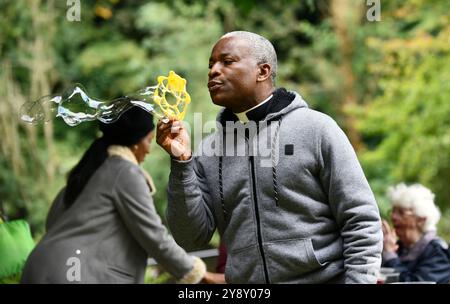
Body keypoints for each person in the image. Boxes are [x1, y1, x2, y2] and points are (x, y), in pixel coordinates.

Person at [157, 31, 383, 283]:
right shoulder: (208, 151)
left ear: (262, 71)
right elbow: (190, 237)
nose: (213, 71)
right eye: (211, 65)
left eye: (227, 62)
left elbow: (360, 220)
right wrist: (181, 163)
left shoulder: (316, 129)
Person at [21, 106, 207, 284]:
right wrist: (197, 274)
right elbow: (154, 235)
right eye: (149, 141)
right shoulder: (124, 172)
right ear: (135, 142)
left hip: (41, 266)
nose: (149, 150)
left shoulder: (87, 173)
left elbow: (52, 224)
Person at [382, 183, 450, 283]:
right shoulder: (398, 247)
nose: (393, 217)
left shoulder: (438, 252)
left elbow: (416, 282)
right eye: (393, 211)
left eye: (401, 212)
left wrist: (390, 257)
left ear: (421, 219)